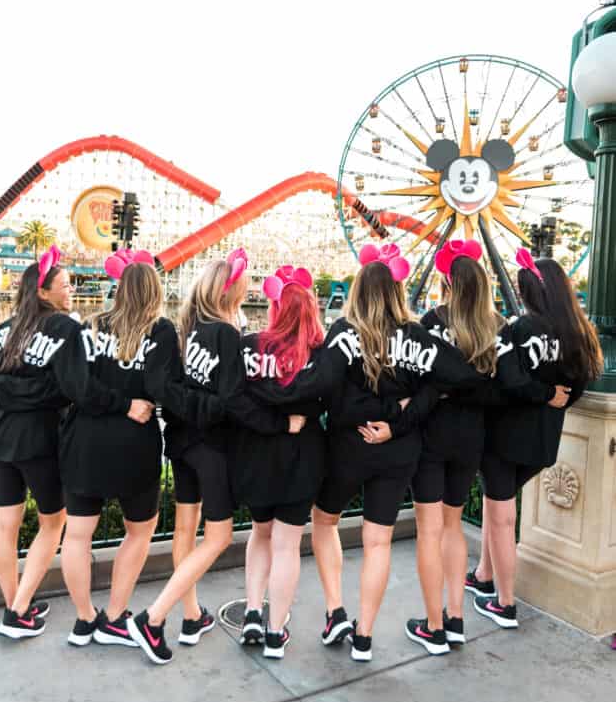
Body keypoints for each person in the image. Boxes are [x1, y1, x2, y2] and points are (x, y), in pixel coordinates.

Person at [250, 243, 481, 661]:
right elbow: (462, 376)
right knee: (379, 542)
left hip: (347, 448)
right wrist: (398, 418)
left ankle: (335, 609)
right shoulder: (419, 337)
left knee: (324, 521)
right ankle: (364, 636)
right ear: (396, 292)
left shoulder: (344, 334)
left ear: (359, 291)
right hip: (399, 450)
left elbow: (327, 392)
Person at [127, 248, 305, 665]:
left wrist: (192, 409)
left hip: (181, 443)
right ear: (231, 292)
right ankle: (152, 619)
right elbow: (233, 401)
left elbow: (172, 389)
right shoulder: (227, 335)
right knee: (220, 537)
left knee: (185, 532)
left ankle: (192, 616)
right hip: (211, 449)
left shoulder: (185, 329)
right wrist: (281, 425)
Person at [0, 246, 150, 639]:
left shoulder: (4, 329)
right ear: (43, 291)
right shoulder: (66, 328)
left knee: (6, 526)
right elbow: (78, 388)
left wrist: (7, 390)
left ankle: (16, 604)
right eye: (65, 285)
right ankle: (18, 612)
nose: (72, 291)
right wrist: (124, 404)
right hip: (41, 439)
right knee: (53, 524)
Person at [58, 250, 220, 648]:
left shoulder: (90, 327)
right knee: (140, 531)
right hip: (134, 443)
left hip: (85, 441)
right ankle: (115, 616)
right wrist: (133, 403)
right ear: (153, 292)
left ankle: (83, 620)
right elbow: (159, 386)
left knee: (77, 535)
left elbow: (76, 387)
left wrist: (109, 399)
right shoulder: (161, 330)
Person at [471, 250, 602, 629]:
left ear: (528, 291)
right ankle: (483, 575)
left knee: (499, 518)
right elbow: (578, 385)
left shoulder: (516, 331)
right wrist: (553, 399)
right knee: (502, 511)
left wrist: (539, 393)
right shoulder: (578, 334)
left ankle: (506, 603)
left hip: (503, 440)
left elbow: (509, 380)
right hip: (543, 443)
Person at [404, 239, 504, 654]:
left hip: (432, 435)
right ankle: (457, 617)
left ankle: (433, 625)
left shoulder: (430, 321)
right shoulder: (494, 326)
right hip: (472, 438)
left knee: (429, 529)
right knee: (453, 524)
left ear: (446, 283)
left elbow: (418, 376)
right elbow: (495, 387)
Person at [234, 265, 326, 658]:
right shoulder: (320, 355)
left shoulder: (249, 346)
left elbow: (236, 400)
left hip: (256, 454)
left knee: (260, 534)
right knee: (288, 544)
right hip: (301, 456)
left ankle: (253, 612)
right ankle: (276, 632)